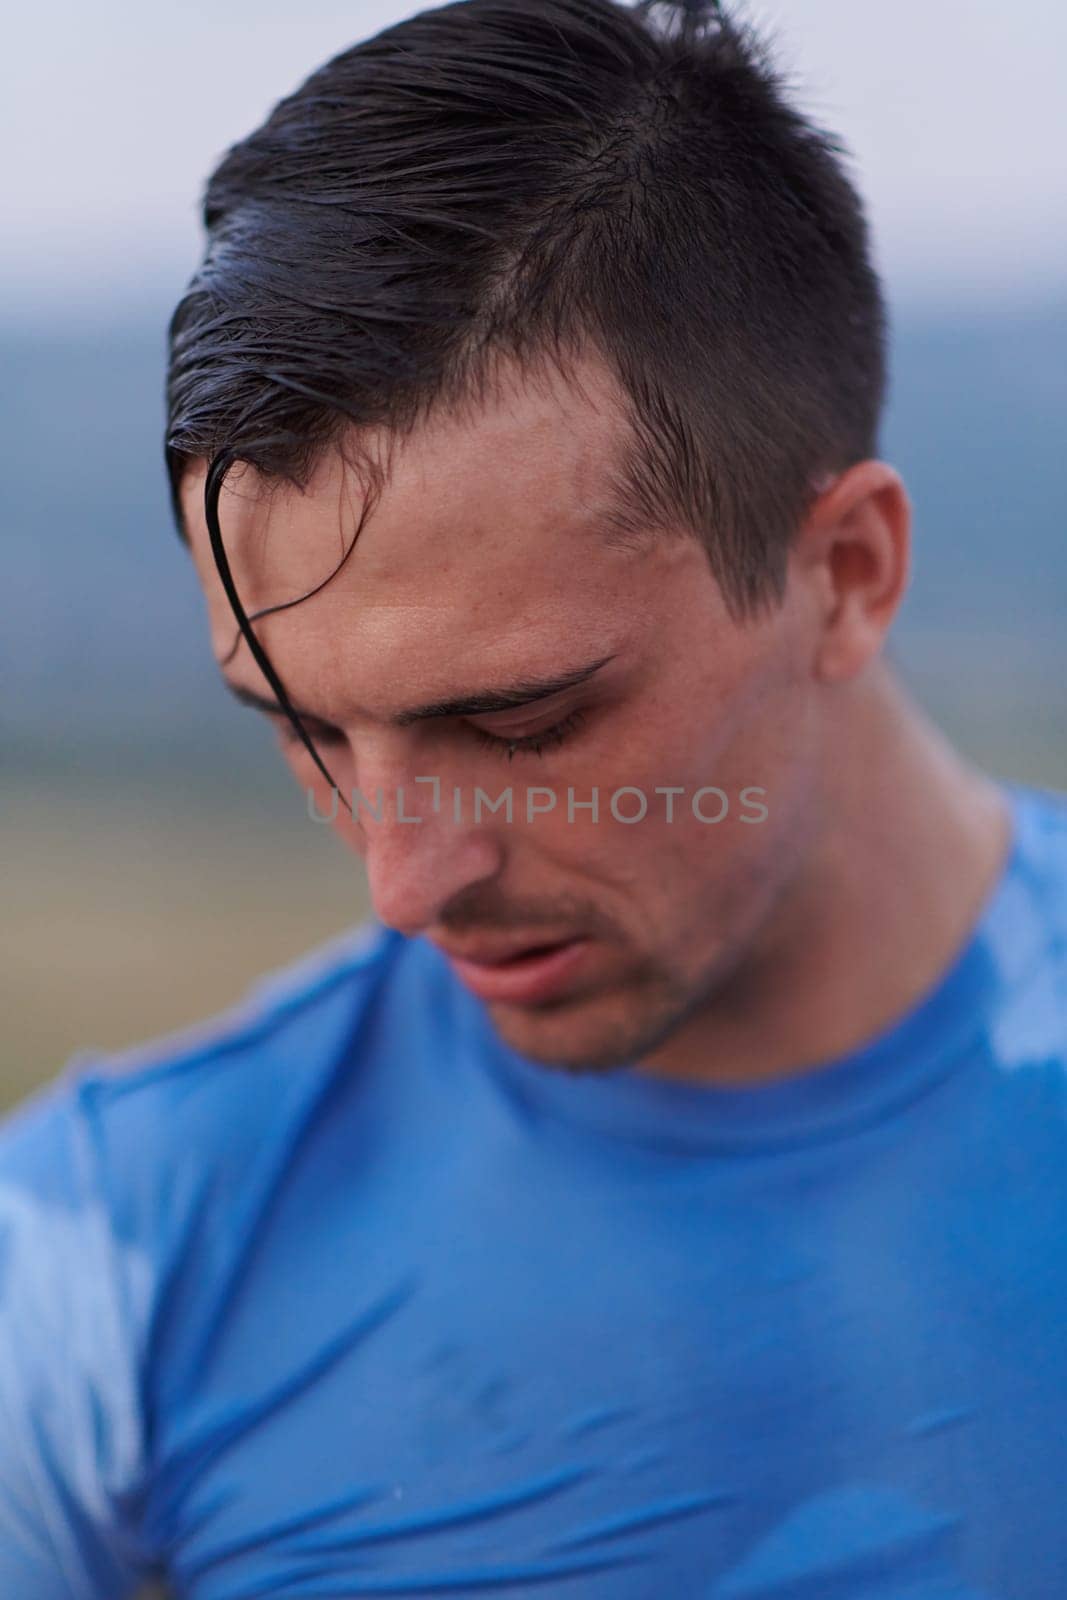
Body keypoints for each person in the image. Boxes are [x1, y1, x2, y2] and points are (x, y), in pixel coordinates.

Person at [2, 0, 1065, 1593]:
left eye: (519, 720)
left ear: (845, 574)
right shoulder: (110, 1262)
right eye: (307, 733)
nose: (402, 884)